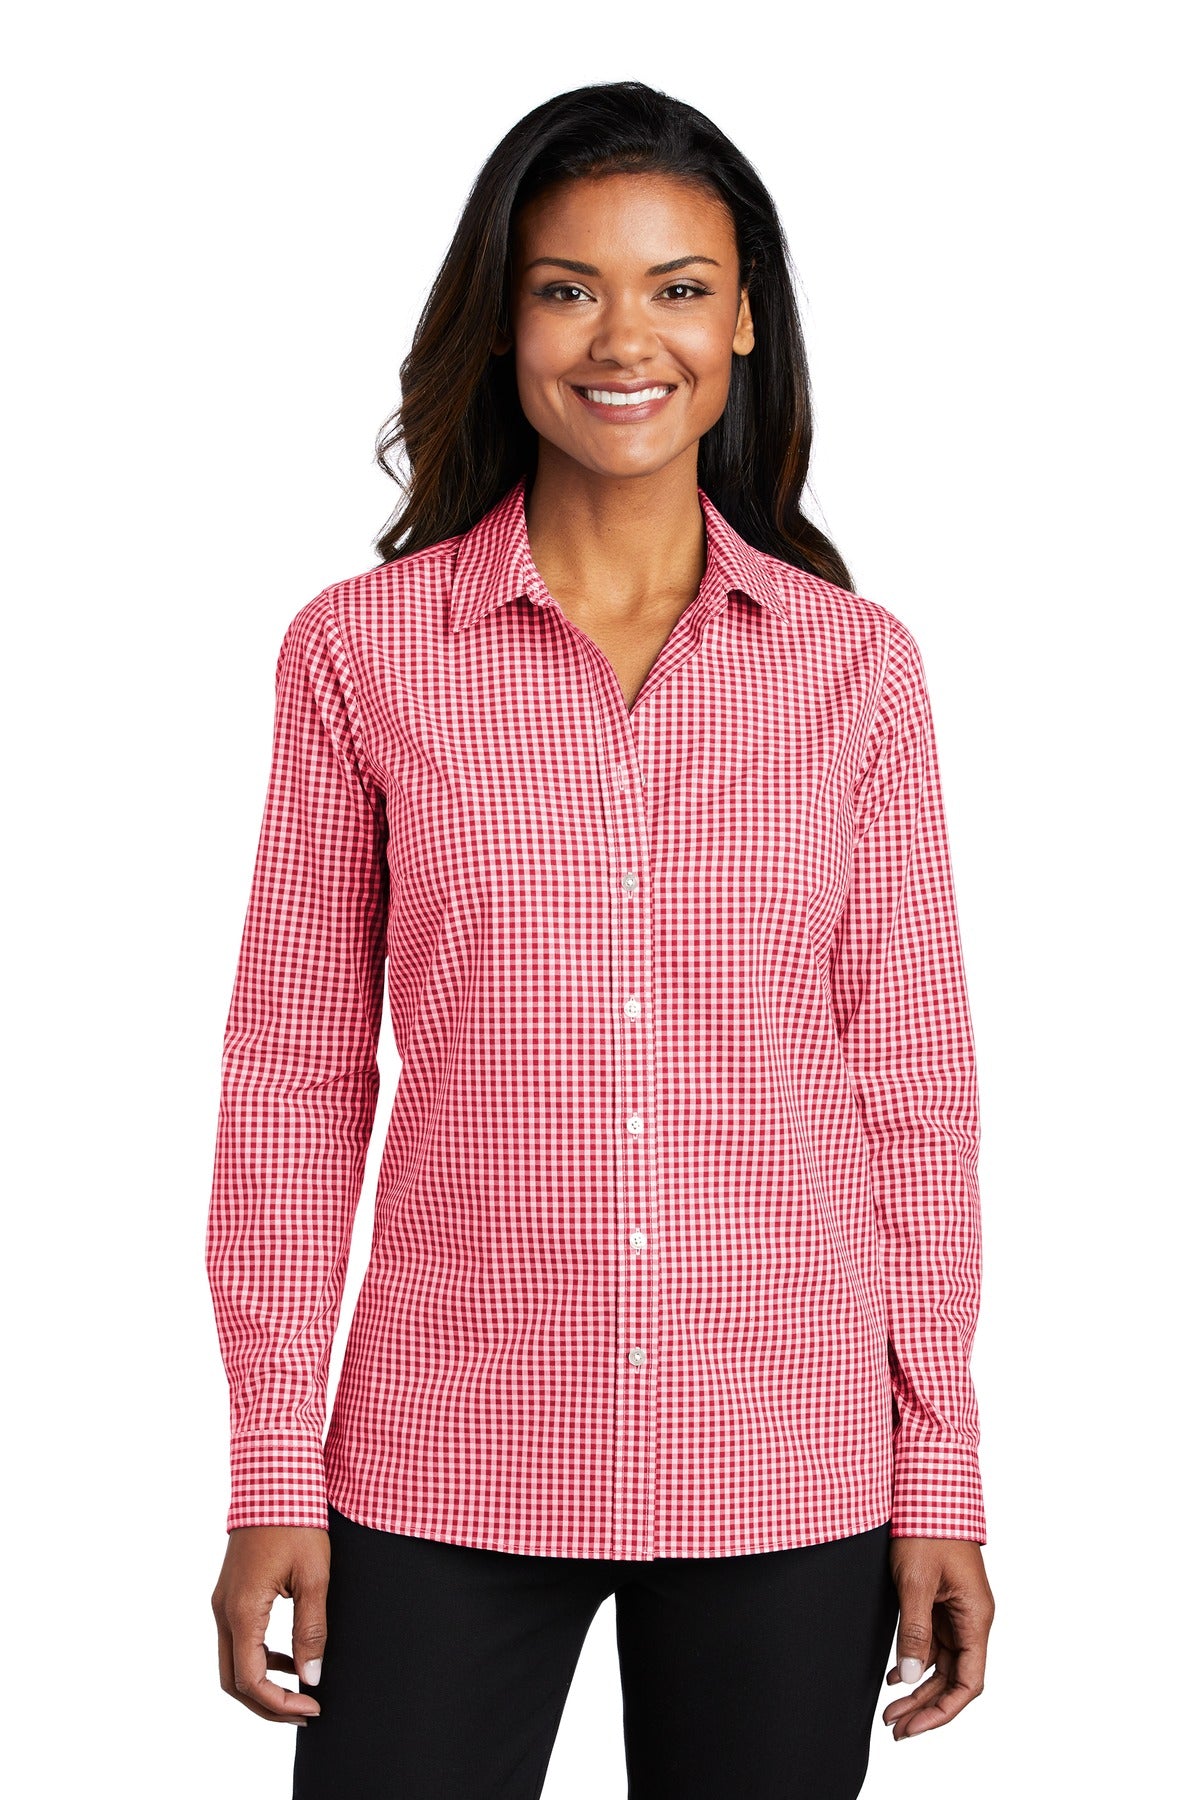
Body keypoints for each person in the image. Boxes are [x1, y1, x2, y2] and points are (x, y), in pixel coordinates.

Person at [207, 79, 996, 1800]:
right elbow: (293, 1077)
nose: (625, 339)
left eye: (679, 288)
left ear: (745, 325)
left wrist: (940, 1466)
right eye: (568, 288)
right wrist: (273, 1457)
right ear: (501, 324)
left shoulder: (857, 672)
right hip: (443, 1452)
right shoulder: (361, 655)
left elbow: (914, 1097)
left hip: (783, 1456)